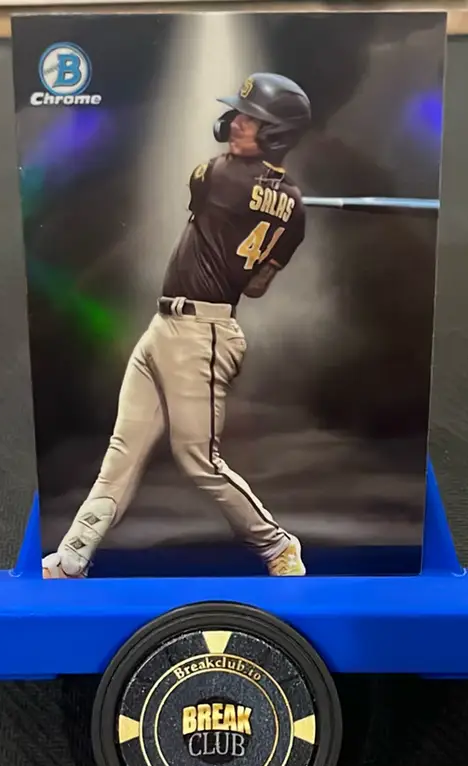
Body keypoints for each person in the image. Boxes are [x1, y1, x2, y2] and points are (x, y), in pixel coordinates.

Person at [42, 72, 312, 579]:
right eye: (239, 113)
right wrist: (280, 207)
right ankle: (72, 558)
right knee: (122, 454)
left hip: (201, 335)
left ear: (278, 133)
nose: (236, 122)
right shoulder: (295, 212)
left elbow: (204, 191)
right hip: (167, 325)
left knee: (197, 459)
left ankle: (277, 545)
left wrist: (257, 205)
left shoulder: (217, 175)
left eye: (252, 119)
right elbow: (256, 286)